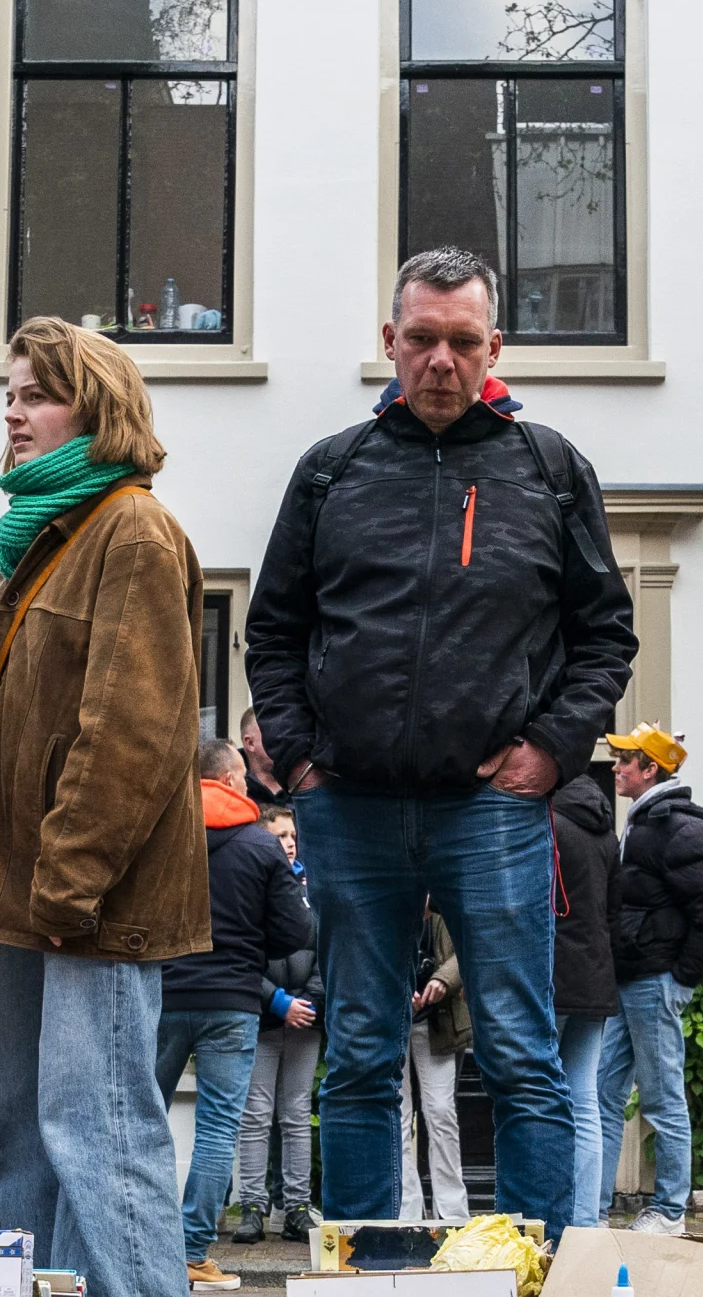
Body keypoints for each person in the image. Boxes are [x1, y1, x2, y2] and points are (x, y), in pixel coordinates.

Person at [246, 247, 635, 1244]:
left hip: (492, 810)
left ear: (494, 347)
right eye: (422, 339)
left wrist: (548, 753)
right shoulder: (332, 472)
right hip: (352, 809)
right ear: (390, 342)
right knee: (363, 1052)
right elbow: (274, 629)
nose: (442, 361)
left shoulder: (548, 470)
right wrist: (299, 763)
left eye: (464, 342)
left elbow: (605, 636)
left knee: (521, 1053)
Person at [0, 318, 200, 1297]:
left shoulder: (130, 528)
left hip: (90, 897)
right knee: (24, 1141)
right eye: (9, 393)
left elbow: (133, 728)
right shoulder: (48, 538)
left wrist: (71, 879)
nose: (12, 410)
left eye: (36, 393)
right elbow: (24, 726)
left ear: (97, 409)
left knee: (100, 1136)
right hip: (33, 894)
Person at [161, 735, 312, 1285]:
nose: (250, 784)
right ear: (227, 780)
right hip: (232, 1001)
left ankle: (143, 1248)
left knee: (144, 1118)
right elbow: (295, 932)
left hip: (166, 992)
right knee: (218, 1126)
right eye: (244, 776)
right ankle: (192, 1253)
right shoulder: (259, 845)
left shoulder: (166, 835)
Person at [596, 726, 703, 1240]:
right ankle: (593, 1206)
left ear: (651, 769)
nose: (616, 769)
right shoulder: (646, 824)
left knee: (661, 1098)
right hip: (633, 980)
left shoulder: (675, 829)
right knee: (601, 1093)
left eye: (625, 761)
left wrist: (681, 979)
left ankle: (671, 1212)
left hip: (653, 982)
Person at [551, 764, 622, 1230]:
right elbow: (614, 908)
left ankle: (546, 1220)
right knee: (585, 1100)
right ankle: (585, 1223)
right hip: (596, 977)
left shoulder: (547, 823)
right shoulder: (605, 831)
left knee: (536, 1094)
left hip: (552, 975)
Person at [404, 906, 470, 1222]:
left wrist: (444, 979)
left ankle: (452, 1212)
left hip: (438, 1020)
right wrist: (402, 988)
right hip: (393, 1021)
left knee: (441, 1112)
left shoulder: (447, 905)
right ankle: (406, 1210)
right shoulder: (391, 898)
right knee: (397, 1117)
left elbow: (468, 943)